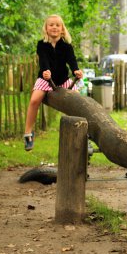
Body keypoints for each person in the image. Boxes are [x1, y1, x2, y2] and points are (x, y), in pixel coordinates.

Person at [23, 14, 83, 151]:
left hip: (63, 80)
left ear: (62, 29)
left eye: (57, 25)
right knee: (34, 100)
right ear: (46, 28)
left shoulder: (67, 46)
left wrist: (76, 71)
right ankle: (28, 133)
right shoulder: (41, 45)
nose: (54, 27)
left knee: (79, 101)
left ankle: (84, 133)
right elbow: (43, 59)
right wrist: (45, 71)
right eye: (51, 25)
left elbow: (72, 61)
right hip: (45, 78)